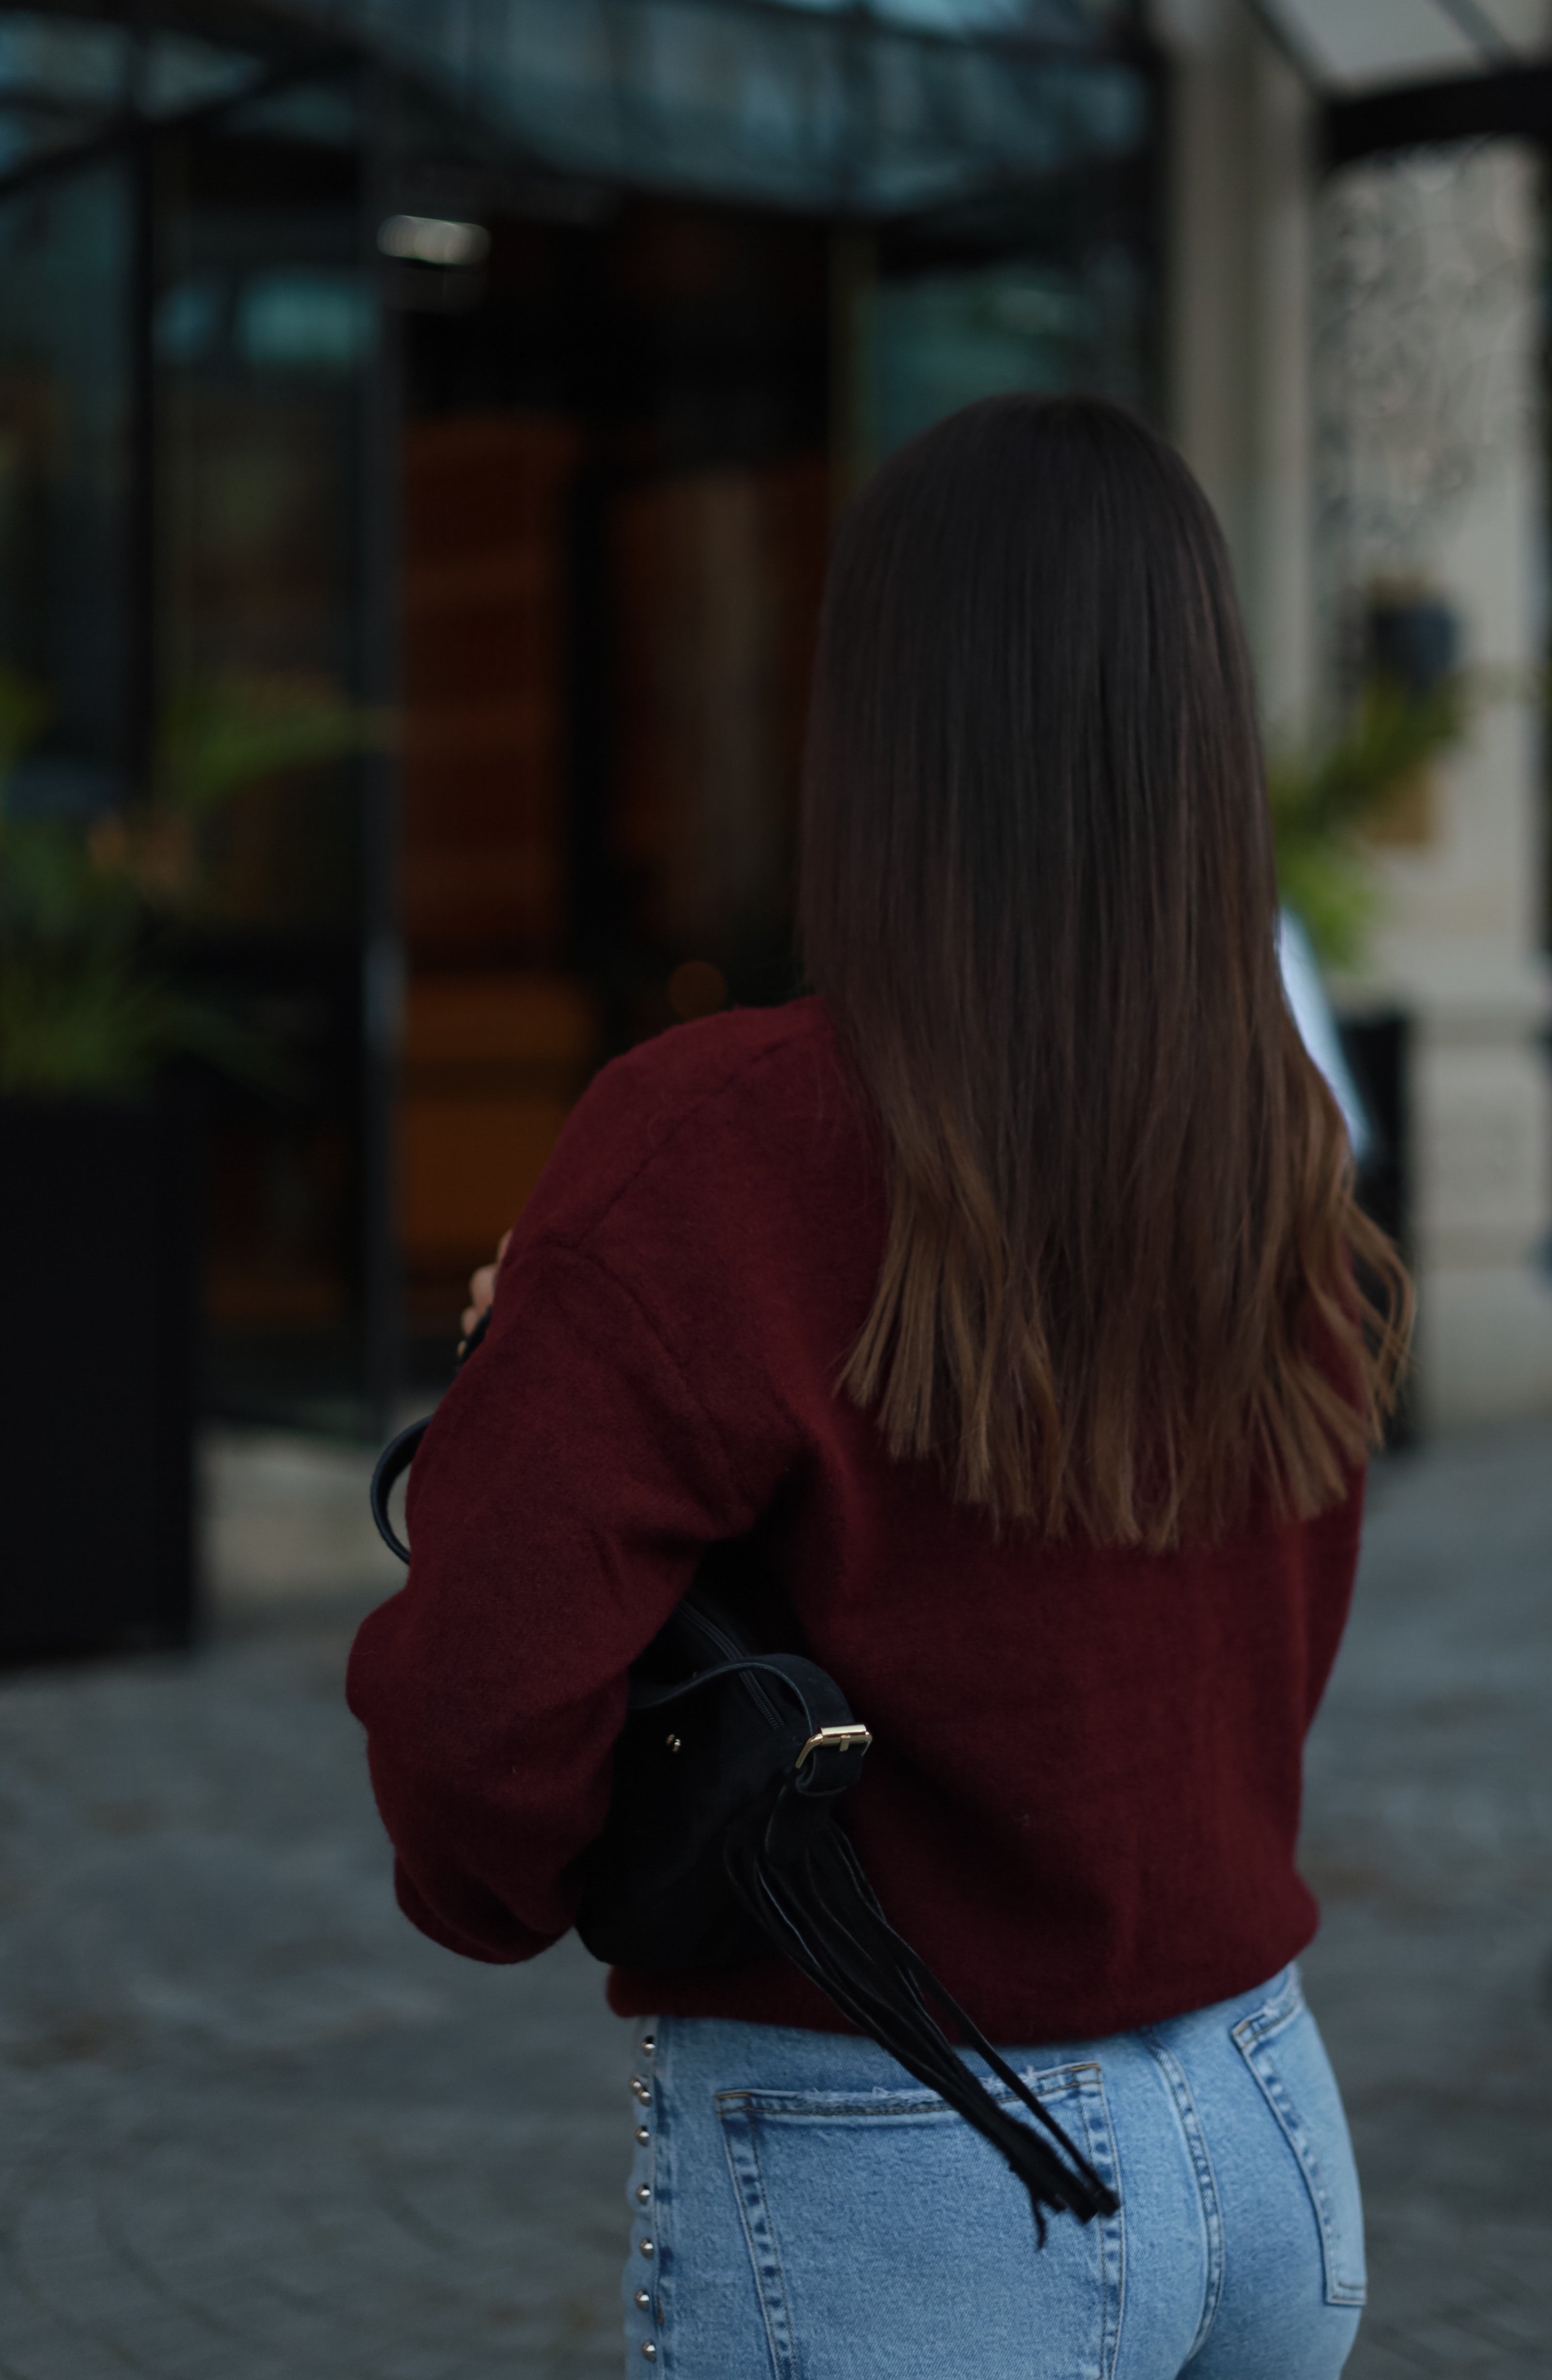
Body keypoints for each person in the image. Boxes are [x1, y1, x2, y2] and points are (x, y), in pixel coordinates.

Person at [348, 393, 1411, 2380]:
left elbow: (485, 1725)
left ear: (884, 726)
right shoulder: (1258, 1131)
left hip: (899, 2150)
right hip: (1264, 2121)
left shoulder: (720, 1139)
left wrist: (520, 1371)